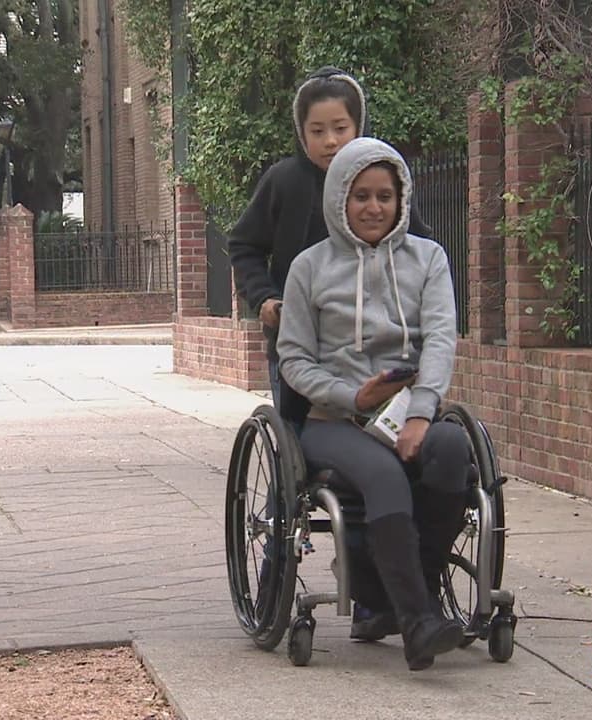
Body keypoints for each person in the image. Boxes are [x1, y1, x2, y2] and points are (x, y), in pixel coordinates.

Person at [228, 67, 435, 641]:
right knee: (296, 466)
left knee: (382, 462)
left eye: (340, 128)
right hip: (304, 349)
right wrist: (264, 298)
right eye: (317, 131)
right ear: (301, 133)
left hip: (374, 355)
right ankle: (274, 580)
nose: (329, 141)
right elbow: (244, 245)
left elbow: (416, 247)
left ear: (358, 126)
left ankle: (374, 593)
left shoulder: (380, 182)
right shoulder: (283, 182)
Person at [277, 137, 471, 671]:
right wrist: (353, 396)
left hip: (409, 412)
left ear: (401, 199)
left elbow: (440, 339)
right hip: (334, 420)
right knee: (385, 474)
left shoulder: (429, 259)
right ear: (340, 198)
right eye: (361, 195)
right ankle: (418, 623)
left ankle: (404, 593)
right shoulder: (309, 268)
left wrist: (420, 413)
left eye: (385, 196)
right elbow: (294, 359)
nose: (373, 207)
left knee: (453, 450)